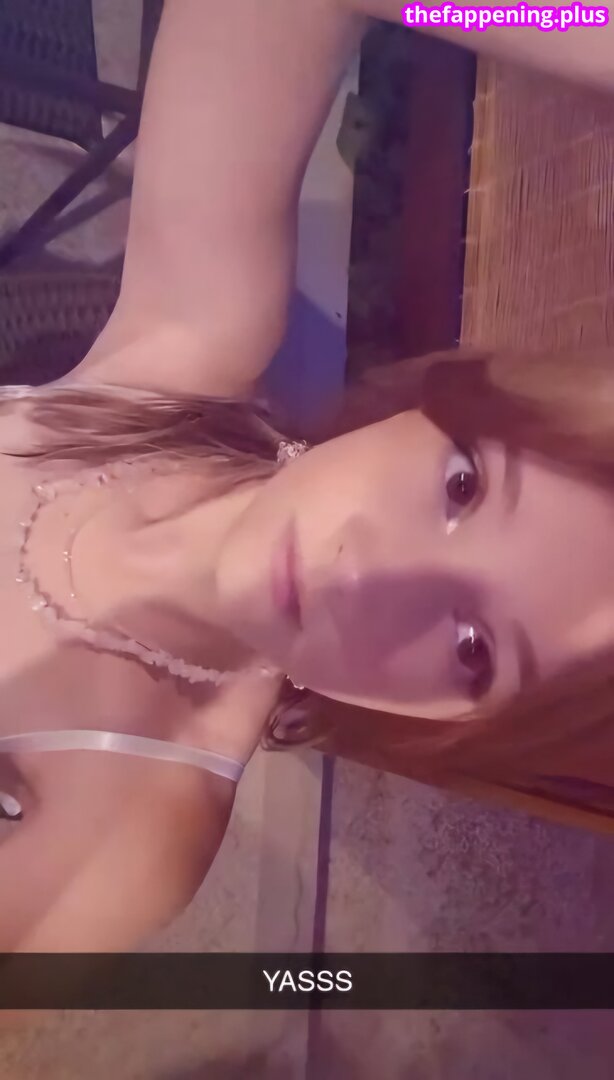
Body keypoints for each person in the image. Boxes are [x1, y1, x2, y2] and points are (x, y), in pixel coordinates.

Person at [0, 0, 613, 952]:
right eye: (461, 488)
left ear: (446, 725)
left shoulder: (126, 829)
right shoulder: (190, 342)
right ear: (434, 405)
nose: (368, 576)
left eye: (472, 649)